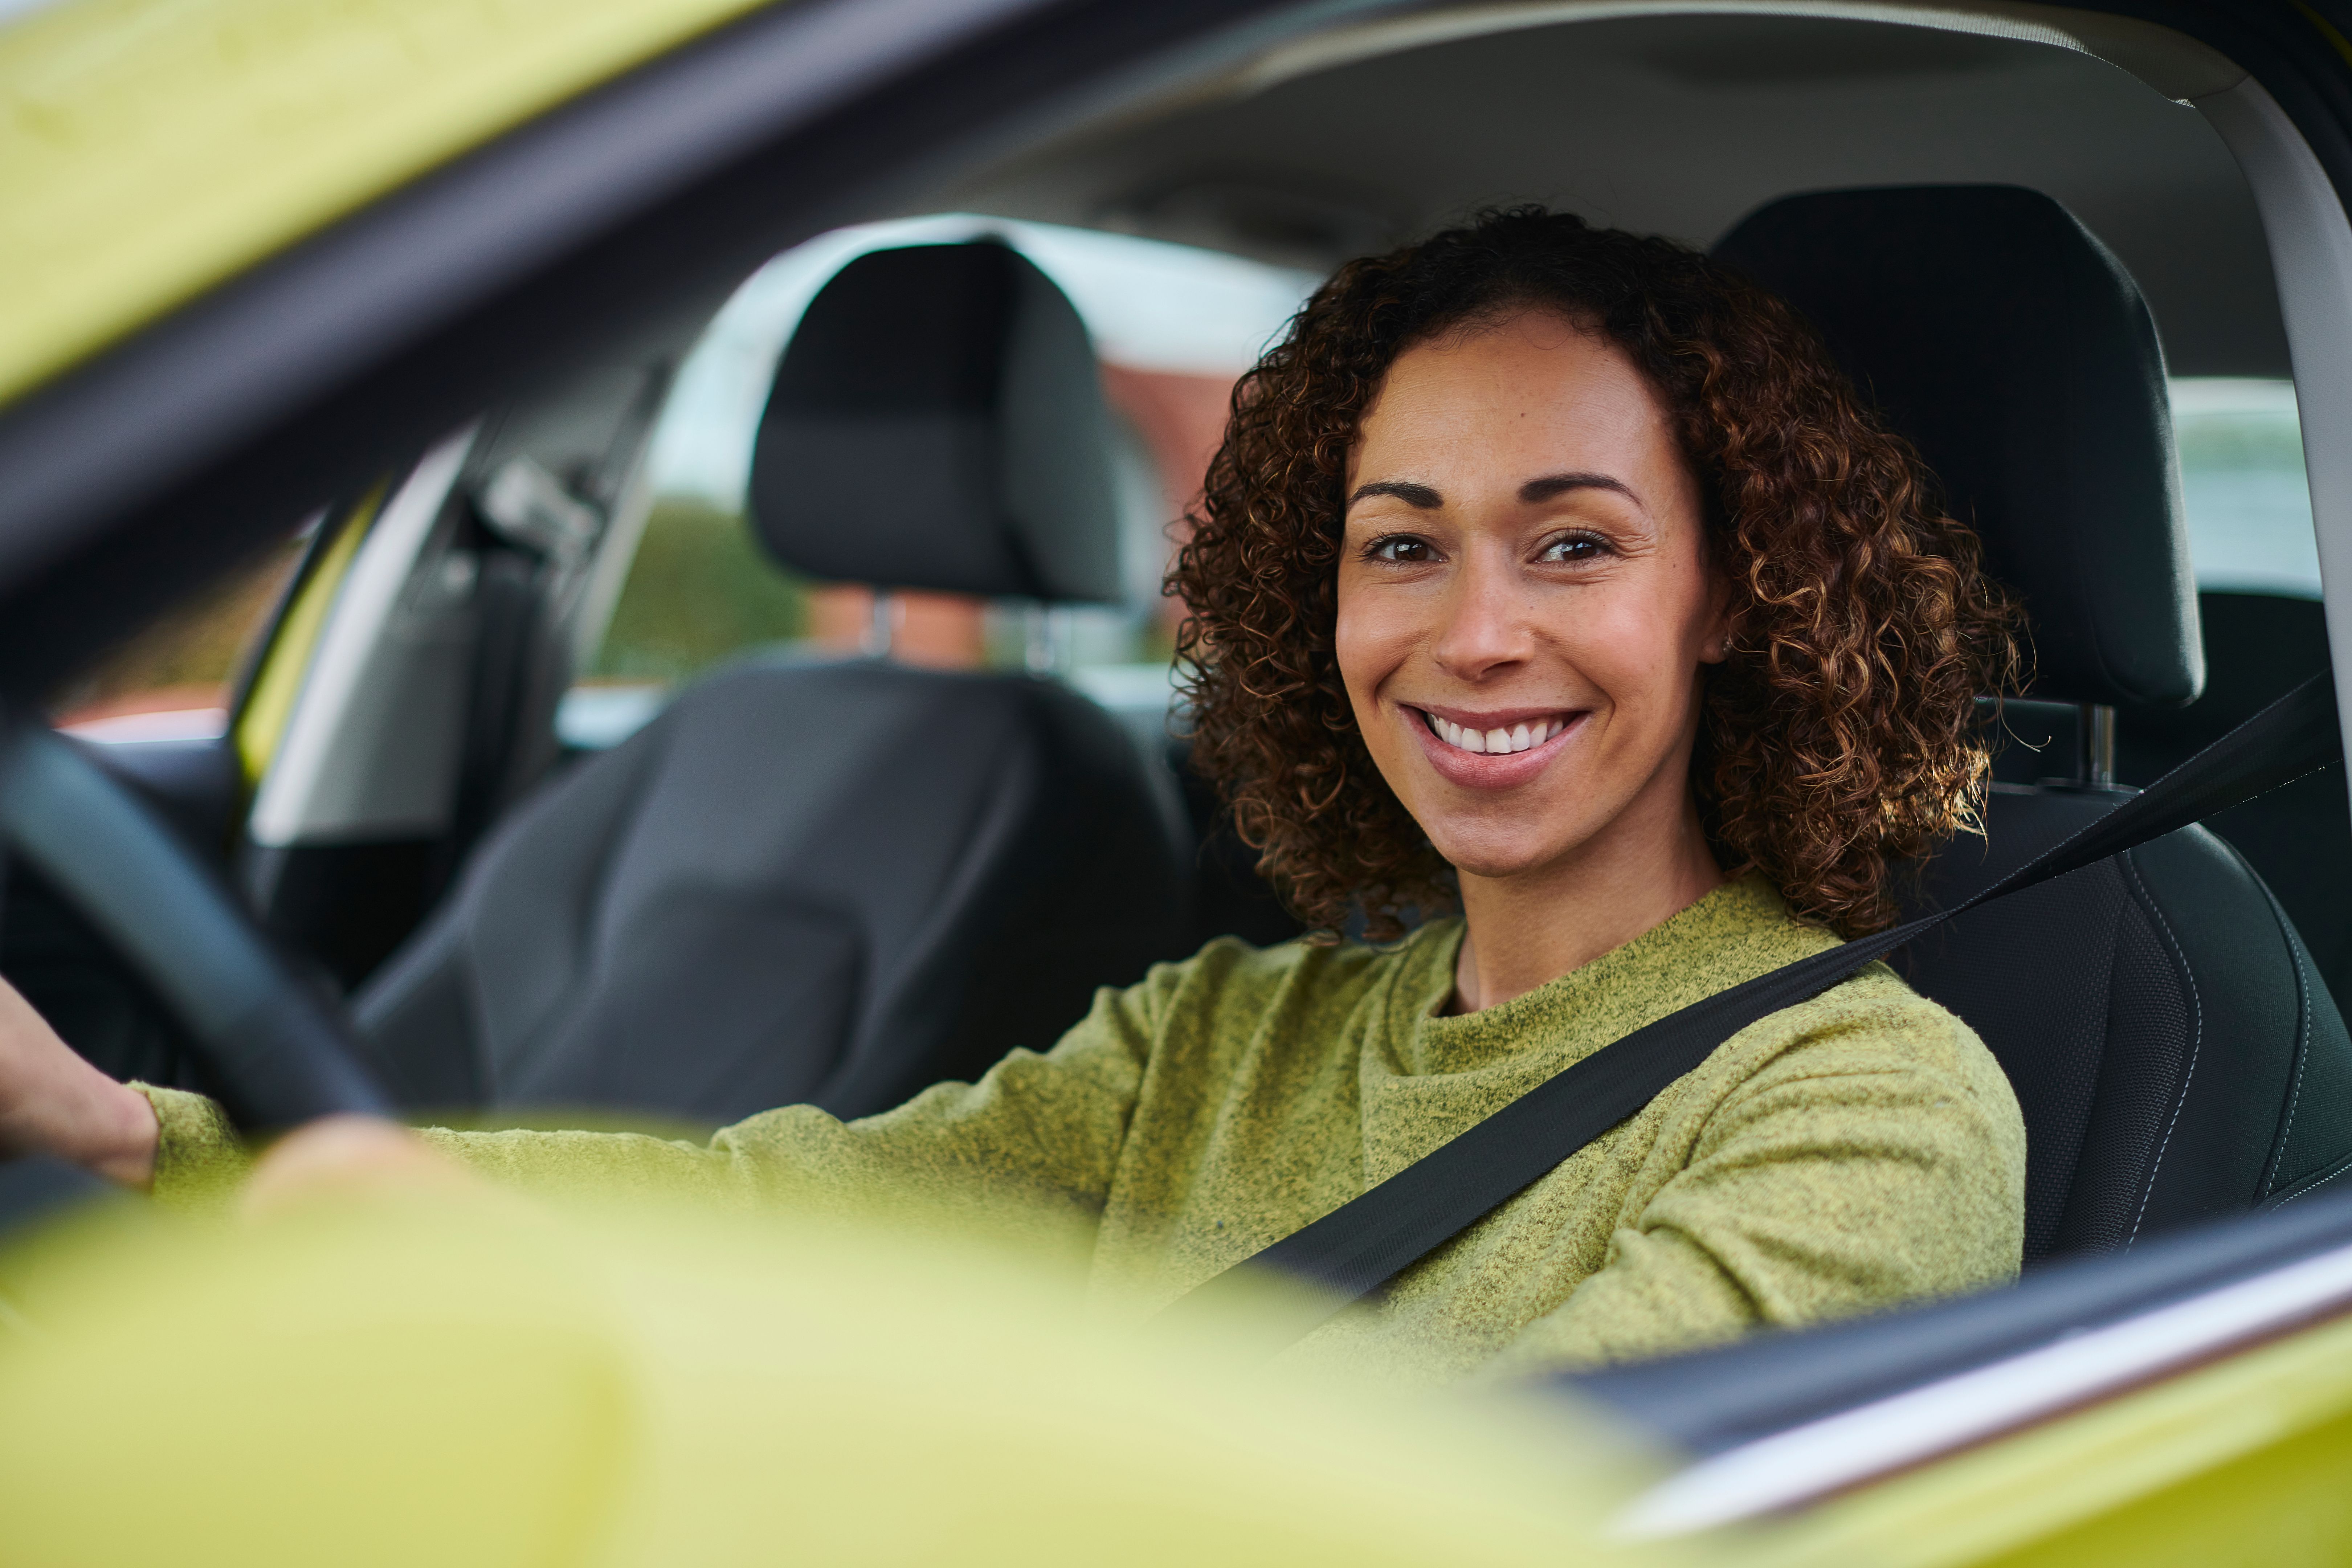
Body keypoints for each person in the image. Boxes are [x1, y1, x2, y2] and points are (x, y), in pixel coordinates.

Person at [0, 208, 2027, 1381]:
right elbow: (776, 1213)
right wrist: (124, 1140)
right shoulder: (1229, 1033)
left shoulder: (1866, 1106)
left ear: (1738, 602)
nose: (1469, 632)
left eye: (1571, 546)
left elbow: (1458, 1508)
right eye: (1400, 545)